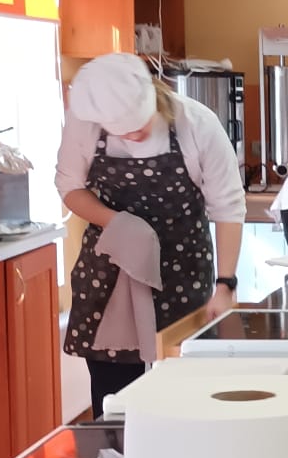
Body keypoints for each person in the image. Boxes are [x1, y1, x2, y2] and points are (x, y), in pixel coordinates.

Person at [57, 53, 245, 417]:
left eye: (138, 125)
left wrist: (225, 285)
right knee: (114, 394)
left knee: (182, 388)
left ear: (153, 98)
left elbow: (228, 207)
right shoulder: (84, 125)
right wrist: (117, 222)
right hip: (111, 268)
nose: (132, 135)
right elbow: (70, 188)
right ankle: (117, 452)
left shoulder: (197, 124)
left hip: (183, 267)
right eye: (121, 131)